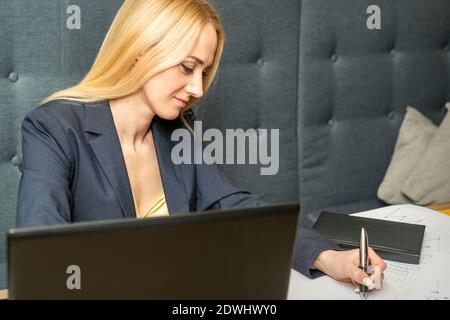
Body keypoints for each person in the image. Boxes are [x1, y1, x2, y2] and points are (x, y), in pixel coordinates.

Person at [16, 0, 385, 293]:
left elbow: (236, 205)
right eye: (187, 67)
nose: (198, 89)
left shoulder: (176, 131)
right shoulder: (54, 128)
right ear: (140, 51)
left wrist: (327, 258)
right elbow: (42, 259)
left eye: (204, 72)